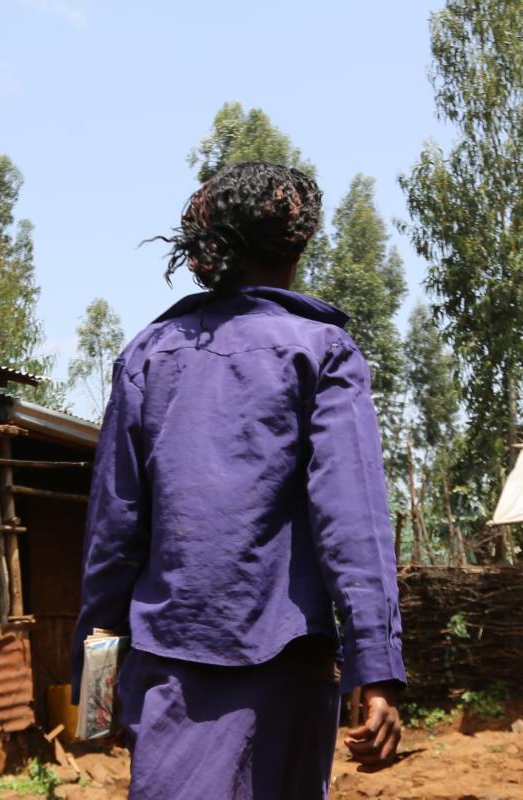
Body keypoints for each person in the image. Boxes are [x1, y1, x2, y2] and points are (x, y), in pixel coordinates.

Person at [74, 160, 405, 799]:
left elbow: (113, 531)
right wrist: (377, 665)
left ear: (214, 245)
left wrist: (95, 675)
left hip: (169, 668)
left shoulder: (149, 353)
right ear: (299, 244)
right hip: (290, 668)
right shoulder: (323, 351)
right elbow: (351, 521)